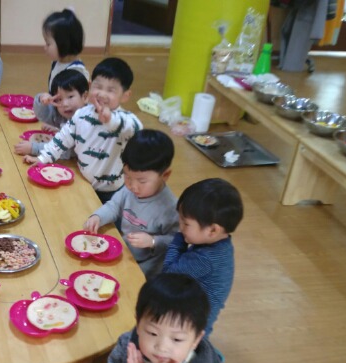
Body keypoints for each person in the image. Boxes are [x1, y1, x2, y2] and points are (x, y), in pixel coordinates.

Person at [24, 57, 143, 203]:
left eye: (110, 90)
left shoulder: (124, 121)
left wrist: (111, 120)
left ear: (125, 96)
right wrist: (42, 158)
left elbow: (135, 128)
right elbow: (62, 139)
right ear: (90, 86)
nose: (102, 94)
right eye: (98, 87)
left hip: (112, 191)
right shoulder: (81, 114)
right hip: (83, 181)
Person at [95, 273, 226, 363]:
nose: (162, 347)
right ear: (138, 325)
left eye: (177, 339)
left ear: (196, 340)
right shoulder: (128, 344)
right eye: (152, 333)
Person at [84, 130, 179, 278]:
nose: (133, 186)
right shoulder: (129, 190)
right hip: (126, 252)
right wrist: (98, 217)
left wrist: (153, 241)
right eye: (127, 176)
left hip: (148, 267)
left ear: (165, 175)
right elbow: (114, 206)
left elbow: (176, 241)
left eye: (142, 181)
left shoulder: (170, 208)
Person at [162, 178, 243, 337]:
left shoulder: (204, 259)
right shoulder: (221, 243)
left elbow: (167, 276)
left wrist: (178, 239)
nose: (180, 227)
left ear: (213, 230)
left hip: (189, 324)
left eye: (185, 223)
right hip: (195, 312)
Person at [35, 8, 91, 132]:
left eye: (48, 44)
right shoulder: (58, 62)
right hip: (60, 118)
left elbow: (77, 114)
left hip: (71, 128)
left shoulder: (76, 72)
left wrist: (60, 130)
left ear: (63, 43)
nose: (45, 47)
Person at [14, 69, 89, 157]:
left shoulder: (86, 121)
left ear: (85, 96)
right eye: (59, 99)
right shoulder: (66, 114)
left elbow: (67, 151)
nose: (65, 104)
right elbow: (43, 115)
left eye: (70, 97)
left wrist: (34, 148)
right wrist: (42, 100)